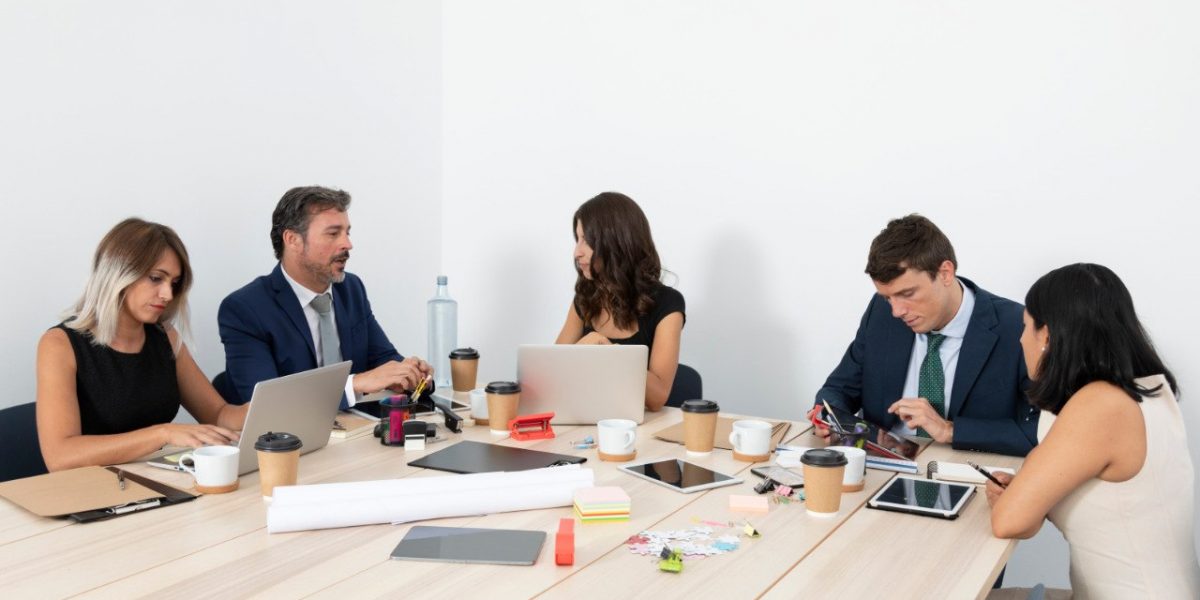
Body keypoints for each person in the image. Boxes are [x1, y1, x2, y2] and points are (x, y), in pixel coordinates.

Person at [987, 263, 1199, 598]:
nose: (1021, 338)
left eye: (1025, 326)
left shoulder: (1100, 406)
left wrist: (1022, 492)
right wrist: (1030, 492)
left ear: (1047, 336)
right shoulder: (1148, 391)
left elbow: (1009, 521)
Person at [815, 214, 1038, 456]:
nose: (897, 311)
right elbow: (838, 389)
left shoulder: (1018, 327)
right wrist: (829, 417)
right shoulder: (882, 313)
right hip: (881, 463)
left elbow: (1040, 432)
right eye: (887, 297)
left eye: (907, 294)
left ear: (945, 273)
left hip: (967, 467)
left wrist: (949, 430)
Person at [36, 218, 248, 471]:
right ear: (118, 273)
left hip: (152, 478)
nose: (167, 294)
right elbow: (60, 457)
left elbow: (218, 415)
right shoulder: (59, 345)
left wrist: (262, 407)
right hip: (92, 487)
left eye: (174, 283)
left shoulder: (165, 337)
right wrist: (162, 434)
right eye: (156, 278)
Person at [218, 186, 430, 408]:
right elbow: (266, 404)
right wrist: (355, 384)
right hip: (293, 430)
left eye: (347, 232)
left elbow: (382, 358)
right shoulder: (245, 309)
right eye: (333, 233)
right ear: (292, 240)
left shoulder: (351, 289)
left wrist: (411, 373)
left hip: (355, 426)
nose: (347, 244)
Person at [555, 192, 684, 411]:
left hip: (638, 425)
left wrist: (613, 354)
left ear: (616, 242)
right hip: (587, 417)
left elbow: (657, 398)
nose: (577, 252)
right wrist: (577, 351)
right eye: (577, 240)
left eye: (587, 240)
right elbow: (551, 375)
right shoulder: (585, 298)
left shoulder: (667, 304)